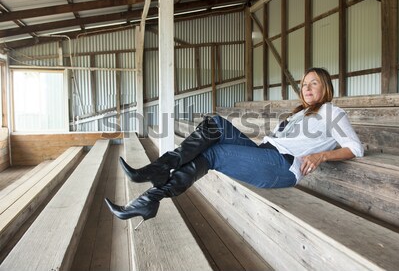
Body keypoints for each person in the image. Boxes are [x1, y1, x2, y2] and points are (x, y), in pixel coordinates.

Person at [105, 67, 364, 227]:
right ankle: (160, 169)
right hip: (266, 154)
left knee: (213, 153)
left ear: (326, 87)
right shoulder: (300, 113)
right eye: (304, 84)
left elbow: (355, 147)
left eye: (314, 83)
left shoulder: (333, 112)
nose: (306, 88)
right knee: (216, 123)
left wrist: (322, 155)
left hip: (283, 166)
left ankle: (152, 195)